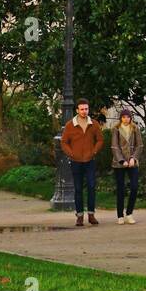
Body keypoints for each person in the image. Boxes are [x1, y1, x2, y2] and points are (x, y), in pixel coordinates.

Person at [60, 97, 105, 227]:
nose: (84, 111)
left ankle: (91, 214)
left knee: (91, 187)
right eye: (82, 109)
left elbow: (100, 140)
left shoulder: (94, 124)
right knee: (78, 189)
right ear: (77, 110)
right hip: (76, 161)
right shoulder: (70, 125)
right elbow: (64, 142)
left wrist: (94, 151)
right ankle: (79, 216)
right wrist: (71, 153)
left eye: (86, 109)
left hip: (90, 160)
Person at [110, 107, 143, 224]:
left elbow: (140, 145)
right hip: (119, 164)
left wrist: (134, 158)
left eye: (128, 117)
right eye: (124, 117)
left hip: (132, 163)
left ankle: (129, 213)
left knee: (134, 187)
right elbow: (114, 146)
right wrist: (121, 160)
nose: (126, 119)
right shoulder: (116, 129)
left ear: (130, 118)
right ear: (121, 118)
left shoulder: (135, 129)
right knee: (121, 189)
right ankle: (120, 215)